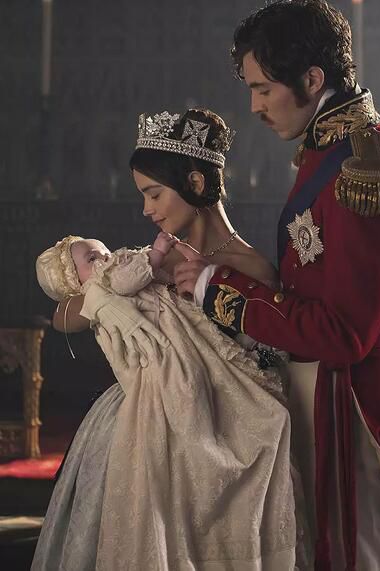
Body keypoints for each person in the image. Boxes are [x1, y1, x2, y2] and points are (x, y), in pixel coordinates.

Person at [171, 2, 380, 570]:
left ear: (313, 79)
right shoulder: (331, 145)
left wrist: (219, 290)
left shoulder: (367, 169)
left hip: (359, 405)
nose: (255, 106)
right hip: (325, 390)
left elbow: (342, 333)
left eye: (264, 89)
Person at [32, 108, 309, 571]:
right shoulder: (150, 257)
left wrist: (211, 285)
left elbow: (266, 361)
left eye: (154, 194)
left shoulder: (251, 267)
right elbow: (62, 315)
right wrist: (100, 300)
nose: (147, 209)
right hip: (144, 417)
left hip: (221, 420)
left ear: (195, 184)